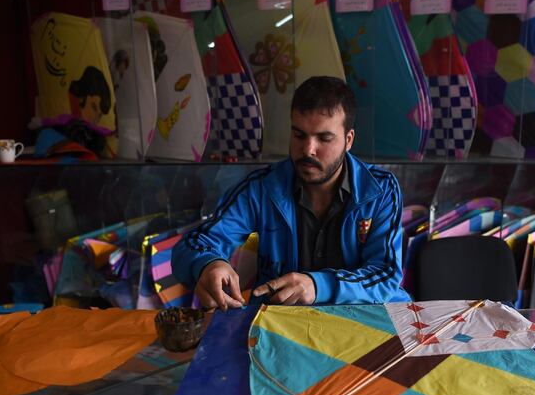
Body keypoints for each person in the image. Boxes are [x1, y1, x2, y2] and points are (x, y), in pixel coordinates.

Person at [171, 76, 410, 308]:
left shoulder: (379, 189)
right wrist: (209, 264)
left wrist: (318, 286)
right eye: (299, 135)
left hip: (363, 321)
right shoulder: (262, 188)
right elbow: (196, 243)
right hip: (282, 325)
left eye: (324, 138)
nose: (308, 150)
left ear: (348, 140)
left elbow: (385, 274)